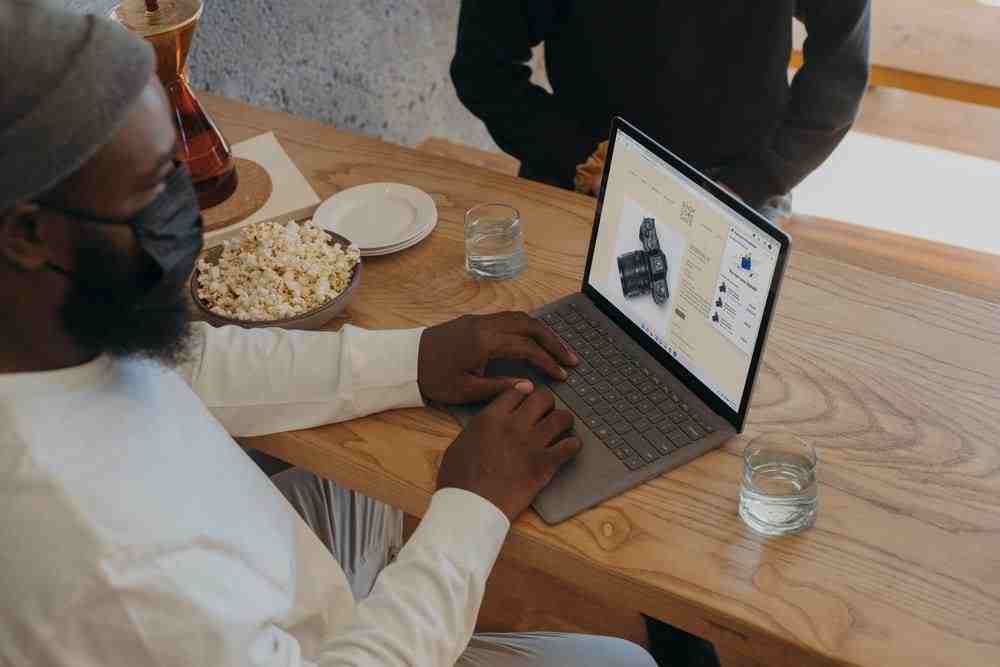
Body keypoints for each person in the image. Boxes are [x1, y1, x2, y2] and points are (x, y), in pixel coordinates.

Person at [0, 3, 657, 666]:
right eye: (154, 184)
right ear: (29, 234)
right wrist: (472, 507)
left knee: (373, 470)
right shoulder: (112, 570)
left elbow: (192, 364)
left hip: (275, 574)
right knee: (625, 663)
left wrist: (419, 356)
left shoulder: (43, 330)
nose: (187, 202)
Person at [451, 1, 871, 219]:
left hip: (736, 185)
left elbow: (840, 69)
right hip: (580, 177)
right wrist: (582, 159)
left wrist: (756, 179)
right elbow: (483, 69)